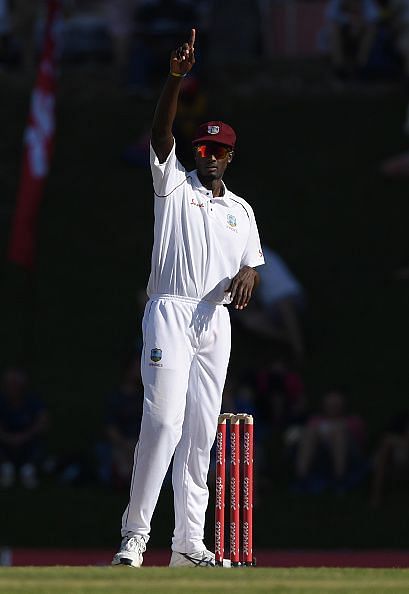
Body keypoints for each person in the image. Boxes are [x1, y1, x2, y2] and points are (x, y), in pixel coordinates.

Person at [112, 28, 264, 569]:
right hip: (171, 312)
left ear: (231, 156)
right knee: (163, 423)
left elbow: (250, 260)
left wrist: (249, 272)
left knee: (202, 433)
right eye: (204, 147)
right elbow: (159, 132)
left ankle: (187, 545)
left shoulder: (241, 211)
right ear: (195, 150)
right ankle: (134, 540)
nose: (211, 155)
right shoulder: (173, 182)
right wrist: (175, 78)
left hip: (214, 320)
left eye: (220, 149)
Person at [0, 367, 49, 489]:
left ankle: (28, 470)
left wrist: (24, 437)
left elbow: (43, 422)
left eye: (16, 384)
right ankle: (6, 469)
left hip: (28, 440)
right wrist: (8, 438)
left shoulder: (33, 401)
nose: (13, 387)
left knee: (39, 441)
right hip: (5, 440)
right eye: (10, 384)